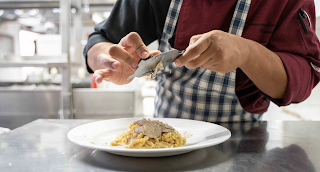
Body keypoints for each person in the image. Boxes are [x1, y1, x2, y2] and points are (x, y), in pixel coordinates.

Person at [83, 0, 320, 122]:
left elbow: (302, 79)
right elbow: (100, 40)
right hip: (165, 138)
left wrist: (247, 53)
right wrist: (111, 60)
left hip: (246, 144)